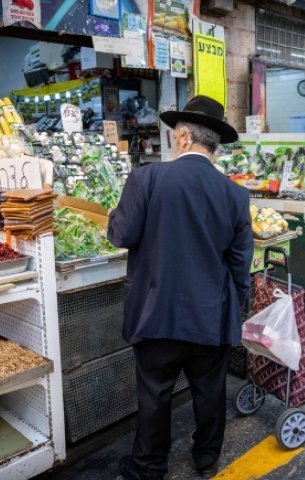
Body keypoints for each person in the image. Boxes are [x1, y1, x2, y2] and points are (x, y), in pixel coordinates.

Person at [108, 95, 253, 480]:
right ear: (213, 144)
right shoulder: (235, 194)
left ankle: (149, 466)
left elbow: (120, 234)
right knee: (209, 392)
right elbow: (241, 264)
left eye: (175, 134)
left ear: (184, 137)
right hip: (211, 315)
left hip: (156, 311)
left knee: (155, 393)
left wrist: (112, 214)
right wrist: (236, 310)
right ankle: (206, 459)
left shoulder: (147, 178)